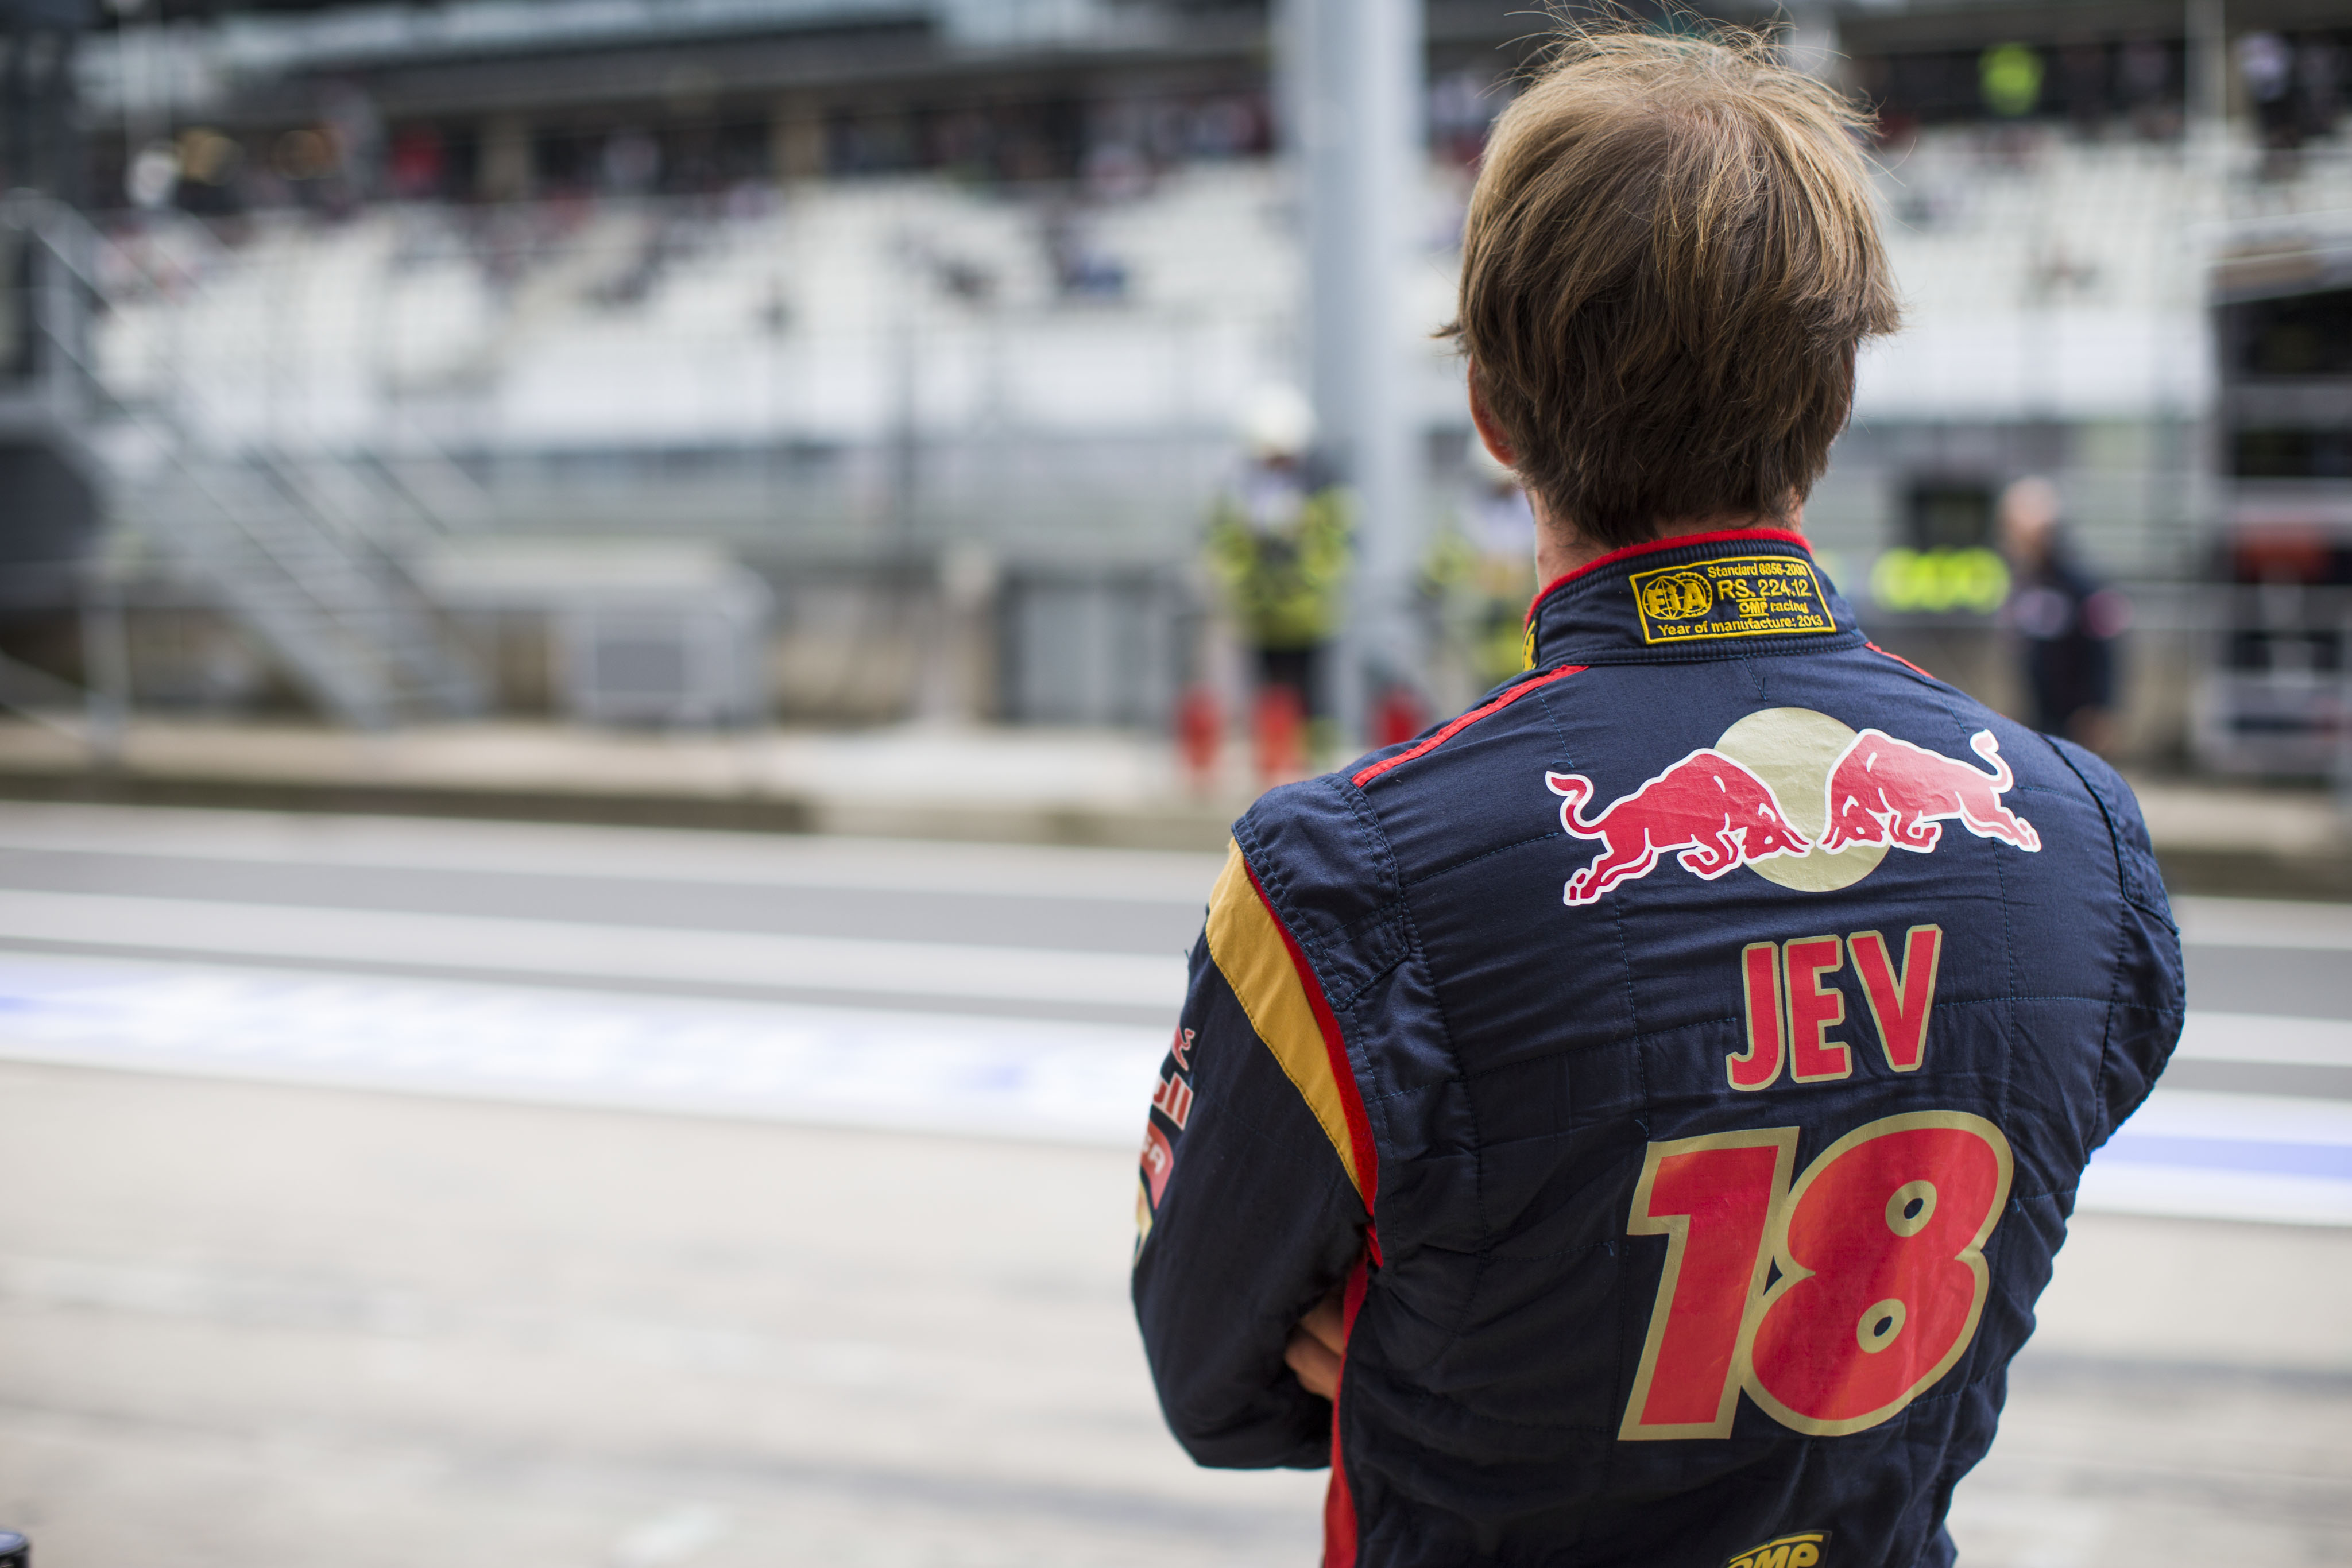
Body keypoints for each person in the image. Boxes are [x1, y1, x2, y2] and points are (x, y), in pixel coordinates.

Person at [1132, 25, 2183, 1568]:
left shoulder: (1342, 879)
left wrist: (1449, 1365)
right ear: (1834, 395)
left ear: (1492, 412)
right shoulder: (2078, 836)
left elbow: (1211, 1377)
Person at [1205, 384, 1352, 779]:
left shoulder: (1322, 493)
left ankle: (1318, 770)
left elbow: (1336, 548)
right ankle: (1274, 763)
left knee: (1312, 693)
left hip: (1309, 616)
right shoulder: (1242, 494)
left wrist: (1301, 577)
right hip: (1262, 615)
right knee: (1268, 692)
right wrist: (1249, 584)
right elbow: (1225, 547)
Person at [1999, 476, 2128, 752]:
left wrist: (2100, 705)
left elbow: (2104, 647)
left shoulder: (2080, 586)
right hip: (2040, 714)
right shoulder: (2027, 582)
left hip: (2074, 718)